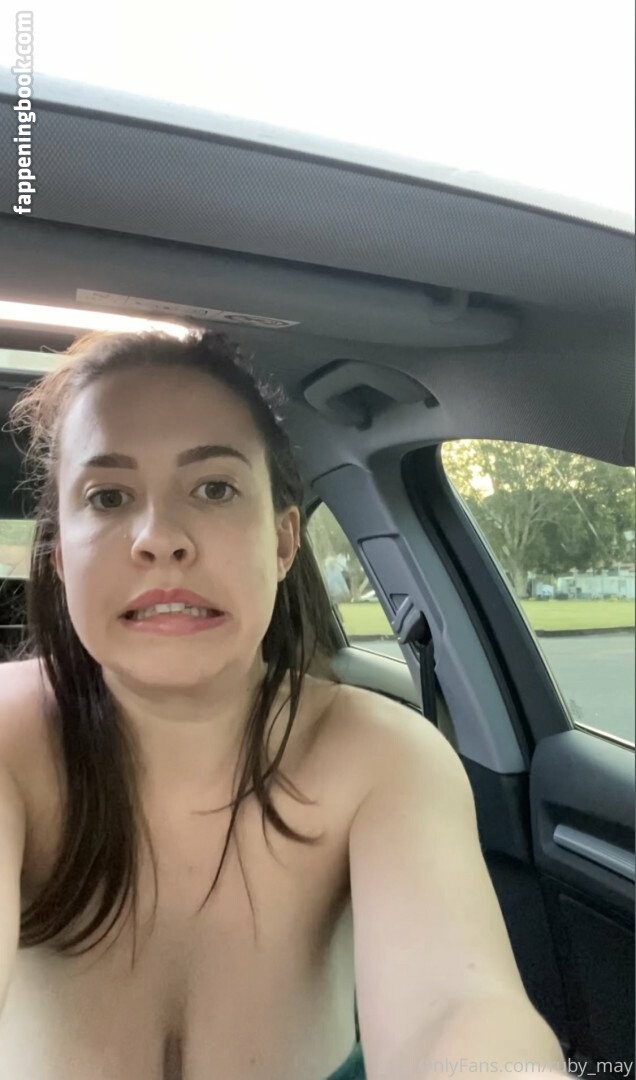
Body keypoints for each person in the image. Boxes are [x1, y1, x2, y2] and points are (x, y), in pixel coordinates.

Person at [0, 329, 566, 1079]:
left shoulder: (383, 756)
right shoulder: (9, 738)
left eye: (214, 488)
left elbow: (456, 1009)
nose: (160, 539)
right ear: (60, 559)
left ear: (283, 541)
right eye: (108, 497)